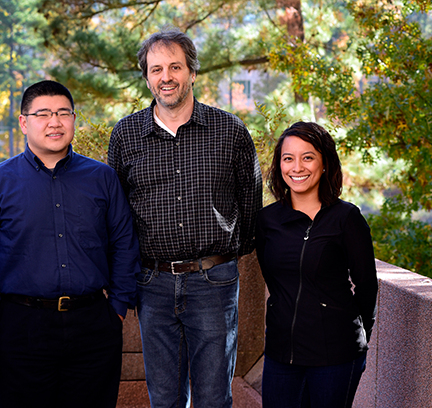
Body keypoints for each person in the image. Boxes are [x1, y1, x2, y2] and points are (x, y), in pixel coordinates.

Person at [108, 28, 263, 407]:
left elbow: (251, 207)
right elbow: (115, 214)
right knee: (164, 398)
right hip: (152, 283)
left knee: (213, 397)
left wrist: (219, 262)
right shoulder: (126, 135)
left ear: (192, 72)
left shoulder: (230, 132)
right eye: (156, 69)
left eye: (175, 67)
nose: (166, 77)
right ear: (146, 76)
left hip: (214, 282)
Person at [0, 80, 140, 408]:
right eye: (44, 114)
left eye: (64, 113)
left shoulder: (101, 178)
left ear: (74, 119)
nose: (55, 122)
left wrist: (117, 308)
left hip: (93, 324)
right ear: (24, 122)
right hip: (20, 327)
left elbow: (123, 240)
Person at [255, 121, 378, 408]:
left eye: (307, 157)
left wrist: (355, 337)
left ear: (324, 164)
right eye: (288, 158)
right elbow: (274, 280)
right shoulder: (267, 220)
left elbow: (367, 286)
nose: (297, 167)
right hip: (280, 354)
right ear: (279, 166)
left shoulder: (347, 218)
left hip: (335, 356)